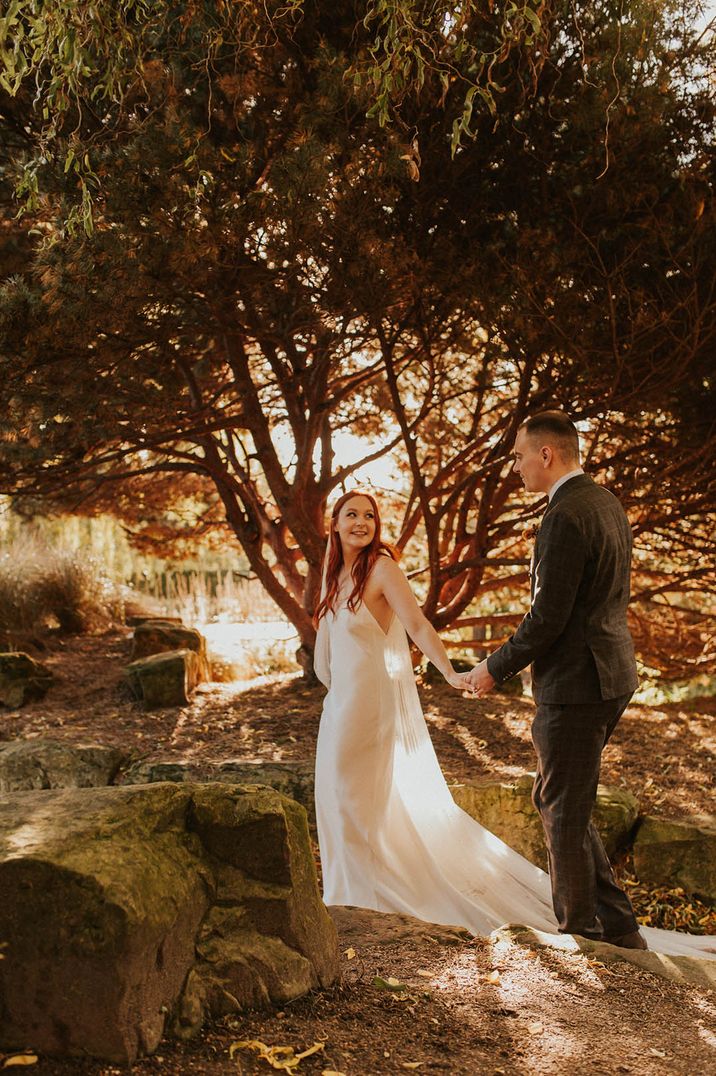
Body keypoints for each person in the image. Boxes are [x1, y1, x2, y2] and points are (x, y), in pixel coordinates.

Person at [313, 488, 715, 959]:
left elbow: (418, 626)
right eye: (351, 514)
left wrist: (451, 674)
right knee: (335, 798)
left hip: (371, 708)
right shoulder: (332, 574)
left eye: (369, 515)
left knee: (352, 797)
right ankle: (346, 893)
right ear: (334, 523)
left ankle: (361, 898)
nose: (361, 522)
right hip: (341, 705)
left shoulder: (381, 568)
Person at [465, 411, 644, 949]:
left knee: (563, 805)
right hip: (611, 672)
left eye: (520, 456)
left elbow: (548, 618)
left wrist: (493, 668)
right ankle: (618, 926)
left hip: (578, 682)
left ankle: (581, 933)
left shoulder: (565, 515)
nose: (516, 467)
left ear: (547, 454)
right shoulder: (604, 502)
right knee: (564, 797)